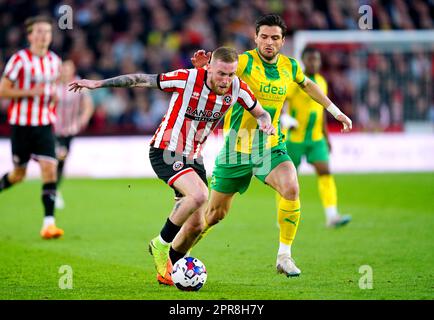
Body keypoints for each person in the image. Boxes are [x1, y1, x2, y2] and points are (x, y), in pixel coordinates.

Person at [68, 46, 276, 286]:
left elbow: (261, 113)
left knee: (197, 225)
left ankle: (170, 267)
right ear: (209, 67)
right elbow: (140, 79)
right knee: (199, 195)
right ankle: (160, 244)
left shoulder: (238, 88)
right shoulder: (186, 78)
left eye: (230, 74)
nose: (226, 80)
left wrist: (264, 123)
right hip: (165, 149)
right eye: (221, 74)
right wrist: (99, 84)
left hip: (193, 156)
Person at [172, 14, 352, 278]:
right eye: (264, 37)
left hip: (269, 146)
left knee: (290, 186)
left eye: (275, 38)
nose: (269, 42)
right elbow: (217, 73)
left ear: (282, 41)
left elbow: (308, 85)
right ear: (255, 37)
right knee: (213, 216)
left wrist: (335, 112)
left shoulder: (290, 66)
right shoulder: (244, 61)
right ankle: (175, 258)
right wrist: (203, 68)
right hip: (235, 149)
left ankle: (284, 255)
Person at [0, 15, 64, 239]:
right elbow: (3, 90)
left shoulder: (55, 61)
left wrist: (53, 103)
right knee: (19, 174)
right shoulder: (19, 60)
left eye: (47, 32)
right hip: (21, 125)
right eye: (39, 31)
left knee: (49, 168)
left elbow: (53, 90)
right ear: (30, 35)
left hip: (45, 124)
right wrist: (29, 92)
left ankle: (49, 224)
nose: (44, 36)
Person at [281, 47, 351, 228]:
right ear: (303, 60)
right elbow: (283, 105)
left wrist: (327, 137)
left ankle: (332, 215)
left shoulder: (321, 81)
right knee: (287, 180)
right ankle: (283, 216)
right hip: (294, 139)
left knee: (325, 171)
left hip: (315, 138)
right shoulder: (295, 82)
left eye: (317, 60)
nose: (314, 63)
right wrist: (286, 119)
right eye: (310, 59)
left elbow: (320, 112)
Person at [54, 60, 94, 209]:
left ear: (72, 70)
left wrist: (83, 119)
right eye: (63, 68)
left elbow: (88, 105)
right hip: (52, 128)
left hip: (69, 131)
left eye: (68, 68)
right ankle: (52, 190)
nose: (65, 71)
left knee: (60, 161)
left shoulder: (80, 86)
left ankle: (54, 189)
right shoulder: (53, 85)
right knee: (59, 155)